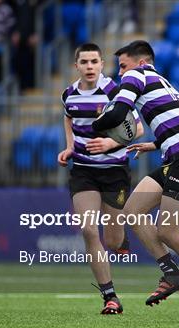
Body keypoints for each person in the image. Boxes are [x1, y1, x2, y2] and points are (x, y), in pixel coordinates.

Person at [91, 40, 179, 320]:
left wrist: (96, 124)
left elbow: (119, 113)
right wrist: (157, 143)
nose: (121, 73)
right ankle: (172, 273)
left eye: (123, 66)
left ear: (141, 62)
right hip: (178, 156)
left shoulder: (137, 75)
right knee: (132, 212)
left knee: (168, 231)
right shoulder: (164, 81)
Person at [58, 43, 144, 314]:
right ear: (77, 66)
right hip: (83, 170)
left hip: (115, 172)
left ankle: (121, 241)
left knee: (113, 241)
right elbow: (68, 119)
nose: (90, 66)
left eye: (94, 61)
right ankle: (110, 296)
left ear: (102, 64)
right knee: (88, 229)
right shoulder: (69, 94)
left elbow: (138, 128)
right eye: (84, 62)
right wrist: (70, 146)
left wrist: (109, 144)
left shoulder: (115, 92)